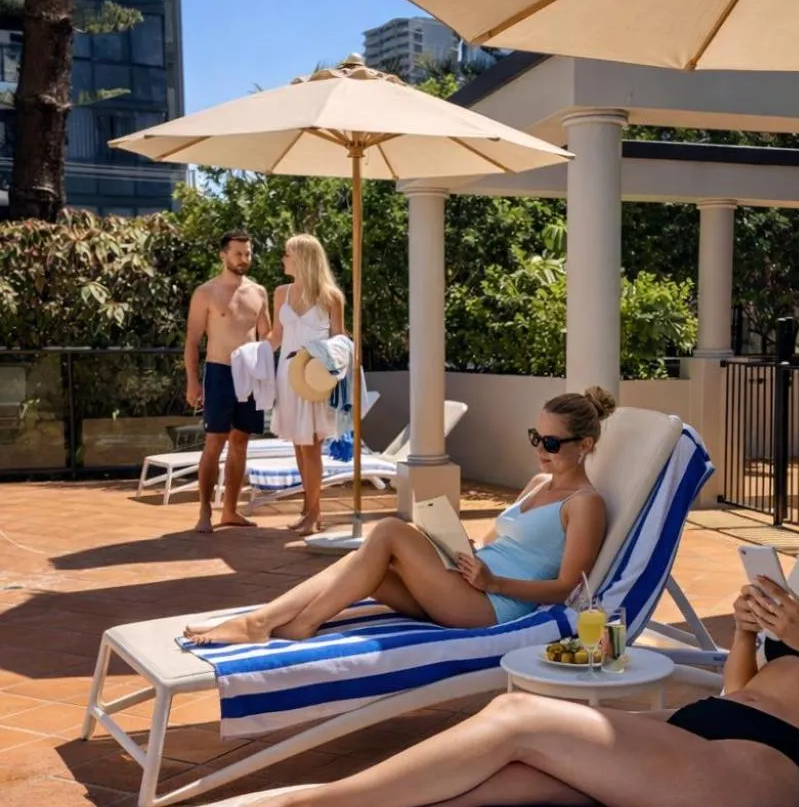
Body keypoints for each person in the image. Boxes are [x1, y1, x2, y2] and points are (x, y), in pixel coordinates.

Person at [169, 423, 799, 807]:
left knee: (521, 717)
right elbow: (741, 695)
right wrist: (746, 635)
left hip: (764, 773)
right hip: (710, 736)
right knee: (500, 772)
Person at [183, 387, 614, 647]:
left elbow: (568, 588)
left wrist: (492, 582)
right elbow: (497, 540)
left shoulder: (584, 504)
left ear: (586, 445)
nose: (541, 448)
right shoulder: (539, 484)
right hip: (468, 581)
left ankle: (264, 623)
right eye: (536, 437)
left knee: (389, 530)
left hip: (491, 605)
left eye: (553, 443)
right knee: (369, 564)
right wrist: (456, 545)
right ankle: (278, 623)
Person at [184, 230, 270, 534]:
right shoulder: (205, 292)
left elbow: (267, 335)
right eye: (238, 254)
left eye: (247, 253)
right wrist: (192, 381)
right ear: (223, 255)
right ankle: (205, 511)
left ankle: (230, 511)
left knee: (241, 441)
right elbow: (193, 340)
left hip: (249, 373)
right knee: (214, 442)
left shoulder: (258, 292)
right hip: (219, 372)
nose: (244, 259)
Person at [269, 234, 346, 536]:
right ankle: (307, 508)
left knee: (310, 447)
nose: (283, 259)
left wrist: (339, 359)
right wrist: (249, 354)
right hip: (287, 374)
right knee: (299, 447)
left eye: (287, 254)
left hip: (313, 375)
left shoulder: (330, 296)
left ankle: (315, 513)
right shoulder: (281, 293)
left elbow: (339, 337)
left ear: (302, 258)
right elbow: (276, 336)